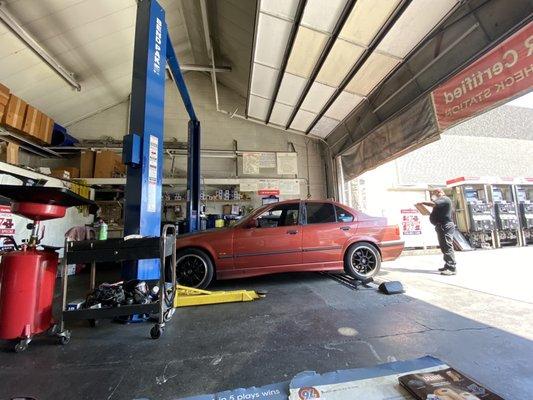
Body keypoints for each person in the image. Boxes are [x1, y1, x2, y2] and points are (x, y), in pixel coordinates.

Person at [417, 188, 457, 275]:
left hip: (445, 225)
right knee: (444, 247)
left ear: (439, 192)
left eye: (434, 193)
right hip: (441, 226)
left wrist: (423, 202)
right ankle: (447, 265)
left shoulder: (444, 199)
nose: (433, 195)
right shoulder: (441, 202)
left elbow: (433, 203)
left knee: (447, 246)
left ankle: (452, 268)